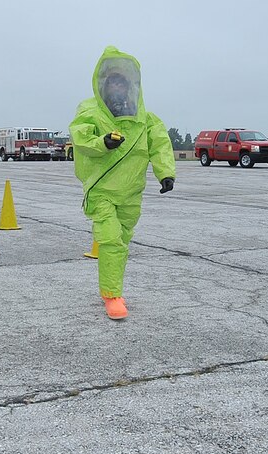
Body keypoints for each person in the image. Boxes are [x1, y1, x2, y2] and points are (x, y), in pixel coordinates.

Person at [70, 46, 175, 320]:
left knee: (123, 241)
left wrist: (166, 173)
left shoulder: (145, 119)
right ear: (103, 84)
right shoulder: (90, 110)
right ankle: (113, 295)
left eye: (122, 81)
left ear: (130, 86)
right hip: (102, 190)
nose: (117, 86)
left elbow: (160, 144)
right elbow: (80, 137)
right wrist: (102, 143)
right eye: (112, 80)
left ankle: (112, 287)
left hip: (132, 192)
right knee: (111, 240)